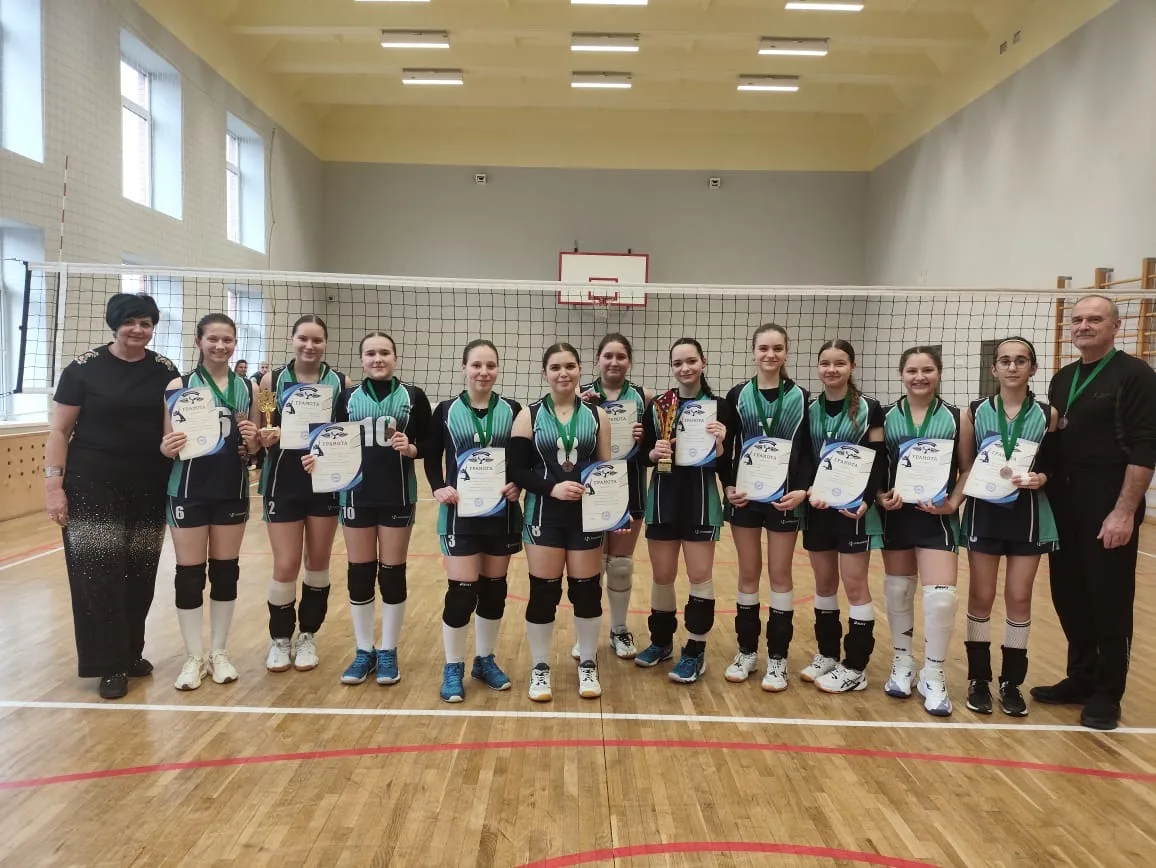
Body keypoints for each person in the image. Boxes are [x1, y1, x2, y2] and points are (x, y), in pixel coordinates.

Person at [1033, 295, 1156, 730]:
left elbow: (1145, 448)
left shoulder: (1136, 375)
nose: (1084, 325)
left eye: (1095, 319)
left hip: (1108, 500)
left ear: (1116, 326)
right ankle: (1081, 677)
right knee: (1068, 594)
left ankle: (1107, 692)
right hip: (1064, 502)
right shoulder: (1063, 378)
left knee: (1109, 599)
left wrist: (1124, 512)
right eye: (1078, 319)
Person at [44, 293, 176, 699]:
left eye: (146, 323)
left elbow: (172, 427)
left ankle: (131, 653)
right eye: (130, 322)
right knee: (98, 575)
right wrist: (53, 486)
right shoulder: (83, 369)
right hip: (92, 484)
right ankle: (108, 664)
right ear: (114, 324)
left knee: (140, 572)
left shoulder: (164, 370)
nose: (138, 329)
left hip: (149, 483)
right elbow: (58, 431)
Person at [310, 332, 431, 688]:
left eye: (384, 353)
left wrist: (412, 448)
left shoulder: (413, 396)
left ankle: (388, 649)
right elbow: (329, 439)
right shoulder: (346, 398)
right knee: (360, 573)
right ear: (362, 359)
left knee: (392, 574)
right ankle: (365, 650)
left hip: (397, 494)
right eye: (370, 353)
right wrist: (316, 459)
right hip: (355, 494)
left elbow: (429, 443)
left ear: (395, 357)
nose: (378, 359)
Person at [159, 314, 259, 690]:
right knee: (189, 574)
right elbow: (166, 443)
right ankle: (193, 656)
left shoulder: (248, 386)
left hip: (230, 488)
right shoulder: (179, 385)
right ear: (198, 341)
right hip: (187, 488)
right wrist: (167, 446)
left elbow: (253, 447)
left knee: (225, 570)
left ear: (235, 344)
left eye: (227, 340)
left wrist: (254, 439)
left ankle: (219, 652)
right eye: (213, 339)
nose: (220, 346)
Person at [960, 337, 1058, 717]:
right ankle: (978, 679)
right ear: (994, 368)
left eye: (1020, 360)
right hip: (984, 512)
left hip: (1027, 515)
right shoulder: (974, 412)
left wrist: (1042, 477)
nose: (1012, 367)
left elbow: (1056, 464)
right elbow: (966, 466)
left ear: (1033, 368)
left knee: (1019, 597)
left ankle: (1012, 683)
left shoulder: (1048, 415)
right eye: (1005, 360)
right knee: (981, 596)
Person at [509, 343, 611, 701]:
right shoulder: (529, 415)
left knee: (587, 592)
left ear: (580, 369)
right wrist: (551, 488)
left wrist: (612, 509)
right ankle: (540, 667)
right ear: (545, 373)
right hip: (543, 514)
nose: (563, 373)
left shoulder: (598, 416)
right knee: (544, 593)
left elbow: (605, 469)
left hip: (585, 517)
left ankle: (588, 663)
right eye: (555, 367)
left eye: (569, 366)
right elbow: (517, 469)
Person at [877, 346, 973, 717]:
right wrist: (881, 496)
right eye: (912, 370)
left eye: (928, 370)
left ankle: (933, 673)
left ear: (939, 373)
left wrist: (953, 502)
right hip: (897, 516)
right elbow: (877, 467)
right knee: (898, 590)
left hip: (937, 518)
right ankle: (903, 662)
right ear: (901, 374)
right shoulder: (885, 416)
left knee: (942, 598)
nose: (920, 377)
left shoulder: (957, 417)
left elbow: (967, 467)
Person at [426, 340, 523, 702]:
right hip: (460, 514)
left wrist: (518, 484)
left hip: (501, 512)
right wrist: (439, 487)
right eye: (477, 365)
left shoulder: (513, 410)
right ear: (464, 368)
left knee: (494, 590)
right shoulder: (445, 410)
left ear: (497, 369)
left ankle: (484, 660)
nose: (484, 372)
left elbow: (522, 459)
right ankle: (453, 665)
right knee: (462, 593)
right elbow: (431, 456)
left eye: (490, 365)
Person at [721, 324, 813, 691]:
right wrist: (728, 485)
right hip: (745, 496)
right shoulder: (737, 395)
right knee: (747, 573)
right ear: (754, 352)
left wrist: (802, 490)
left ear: (786, 352)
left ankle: (778, 658)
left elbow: (807, 452)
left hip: (783, 498)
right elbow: (725, 448)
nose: (770, 354)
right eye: (763, 348)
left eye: (777, 348)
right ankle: (746, 651)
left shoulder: (802, 397)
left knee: (779, 574)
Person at [636, 337, 731, 683]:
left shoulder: (720, 408)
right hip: (663, 497)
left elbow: (727, 462)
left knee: (699, 576)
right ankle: (661, 641)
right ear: (672, 367)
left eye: (691, 361)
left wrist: (720, 446)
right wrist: (654, 452)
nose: (685, 368)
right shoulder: (659, 405)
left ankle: (695, 650)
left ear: (703, 362)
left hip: (701, 500)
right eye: (678, 363)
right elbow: (642, 454)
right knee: (662, 576)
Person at [257, 315, 348, 673]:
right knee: (285, 564)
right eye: (303, 339)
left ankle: (308, 634)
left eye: (317, 340)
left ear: (325, 343)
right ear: (292, 339)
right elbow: (264, 428)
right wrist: (266, 436)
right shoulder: (271, 380)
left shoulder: (340, 382)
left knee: (318, 562)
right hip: (282, 481)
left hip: (323, 481)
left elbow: (344, 431)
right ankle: (280, 638)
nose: (310, 346)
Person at [802, 339, 887, 694]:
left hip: (854, 510)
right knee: (824, 585)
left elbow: (879, 458)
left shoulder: (871, 409)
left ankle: (855, 665)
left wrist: (867, 500)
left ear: (852, 366)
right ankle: (827, 654)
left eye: (839, 363)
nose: (831, 369)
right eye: (825, 363)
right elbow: (804, 458)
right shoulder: (809, 408)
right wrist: (808, 489)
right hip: (819, 508)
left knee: (854, 586)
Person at [573, 333, 652, 661]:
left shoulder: (643, 397)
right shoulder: (580, 395)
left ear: (629, 361)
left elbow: (654, 451)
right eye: (608, 356)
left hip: (630, 485)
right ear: (597, 360)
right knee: (590, 565)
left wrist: (644, 437)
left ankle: (619, 629)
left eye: (621, 356)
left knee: (620, 565)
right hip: (592, 487)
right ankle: (586, 633)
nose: (614, 362)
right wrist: (580, 409)